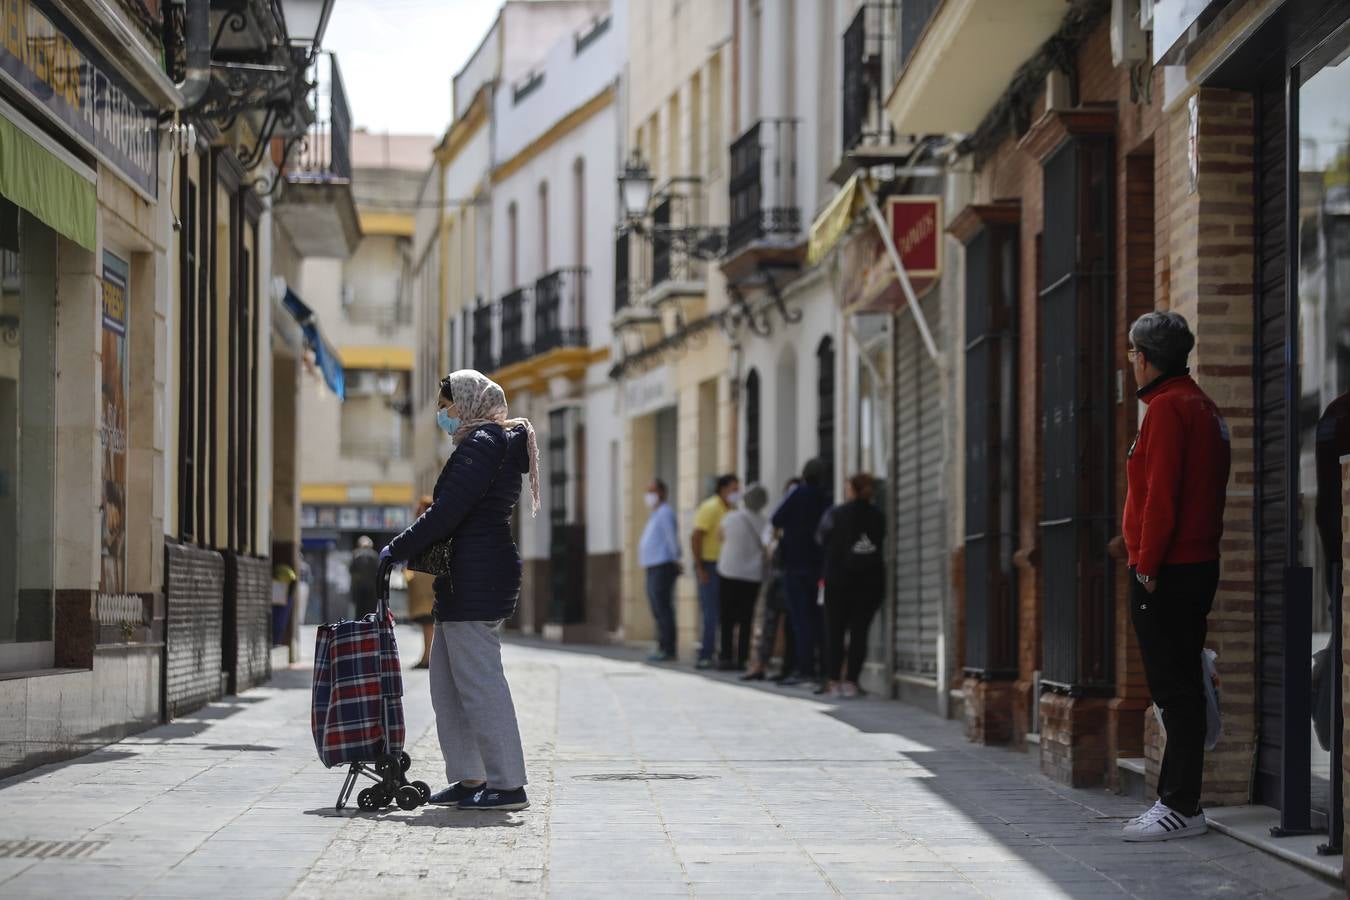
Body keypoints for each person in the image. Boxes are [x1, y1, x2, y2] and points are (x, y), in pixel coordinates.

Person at [383, 369, 541, 812]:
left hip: (478, 575)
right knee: (448, 685)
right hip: (467, 575)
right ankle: (470, 778)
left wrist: (397, 548)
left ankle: (508, 785)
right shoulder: (483, 442)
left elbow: (448, 512)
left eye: (447, 405)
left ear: (469, 403)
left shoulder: (484, 443)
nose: (444, 414)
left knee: (480, 683)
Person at [1120, 312, 1230, 842]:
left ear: (1143, 356)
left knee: (1174, 690)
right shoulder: (1202, 406)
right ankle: (1178, 802)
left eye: (1131, 354)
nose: (1129, 364)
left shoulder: (1166, 410)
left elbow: (1162, 497)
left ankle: (1180, 806)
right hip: (1192, 565)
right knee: (1181, 684)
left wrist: (1146, 567)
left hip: (1168, 571)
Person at [818, 473, 886, 698]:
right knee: (860, 633)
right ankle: (851, 681)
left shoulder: (836, 514)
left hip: (838, 581)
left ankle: (834, 680)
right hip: (869, 581)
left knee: (834, 633)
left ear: (851, 489)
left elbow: (821, 538)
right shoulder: (877, 516)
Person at [772, 459, 831, 687]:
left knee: (800, 619)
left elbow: (776, 518)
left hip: (795, 566)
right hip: (818, 567)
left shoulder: (798, 494)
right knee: (818, 619)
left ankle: (804, 669)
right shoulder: (826, 498)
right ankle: (822, 669)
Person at [742, 478, 800, 683]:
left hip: (792, 577)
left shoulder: (801, 523)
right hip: (775, 578)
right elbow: (769, 546)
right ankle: (760, 664)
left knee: (793, 625)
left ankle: (790, 665)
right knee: (767, 622)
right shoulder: (774, 521)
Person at [716, 483, 769, 671]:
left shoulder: (730, 517)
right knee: (746, 618)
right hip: (752, 575)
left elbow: (719, 537)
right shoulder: (764, 522)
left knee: (727, 617)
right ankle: (742, 658)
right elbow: (767, 547)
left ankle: (725, 656)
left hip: (729, 571)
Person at [691, 474, 740, 669]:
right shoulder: (710, 507)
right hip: (710, 565)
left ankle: (723, 652)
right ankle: (706, 654)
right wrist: (700, 567)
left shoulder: (732, 510)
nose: (737, 493)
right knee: (711, 612)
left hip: (727, 566)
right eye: (734, 489)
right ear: (723, 489)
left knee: (725, 612)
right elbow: (696, 536)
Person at [638, 478, 681, 662]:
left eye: (653, 491)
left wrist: (676, 559)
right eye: (648, 491)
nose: (649, 495)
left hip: (663, 565)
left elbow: (671, 538)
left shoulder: (665, 513)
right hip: (653, 565)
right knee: (657, 609)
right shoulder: (655, 514)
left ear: (662, 493)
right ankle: (662, 645)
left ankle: (668, 648)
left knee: (663, 608)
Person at [405, 496, 438, 669]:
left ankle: (428, 658)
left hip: (429, 586)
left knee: (428, 623)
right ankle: (427, 657)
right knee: (428, 624)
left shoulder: (430, 530)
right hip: (425, 585)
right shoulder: (430, 529)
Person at [348, 536, 380, 619]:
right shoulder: (374, 555)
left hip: (359, 588)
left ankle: (359, 628)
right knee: (370, 611)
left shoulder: (356, 555)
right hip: (372, 588)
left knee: (360, 611)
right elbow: (379, 572)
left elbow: (351, 571)